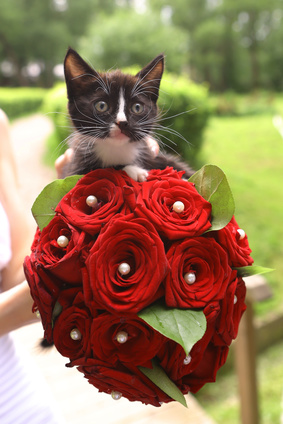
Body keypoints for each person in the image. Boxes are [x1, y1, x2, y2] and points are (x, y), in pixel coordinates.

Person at [0, 109, 63, 424]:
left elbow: (12, 273)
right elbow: (22, 299)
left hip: (22, 402)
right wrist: (40, 294)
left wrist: (71, 217)